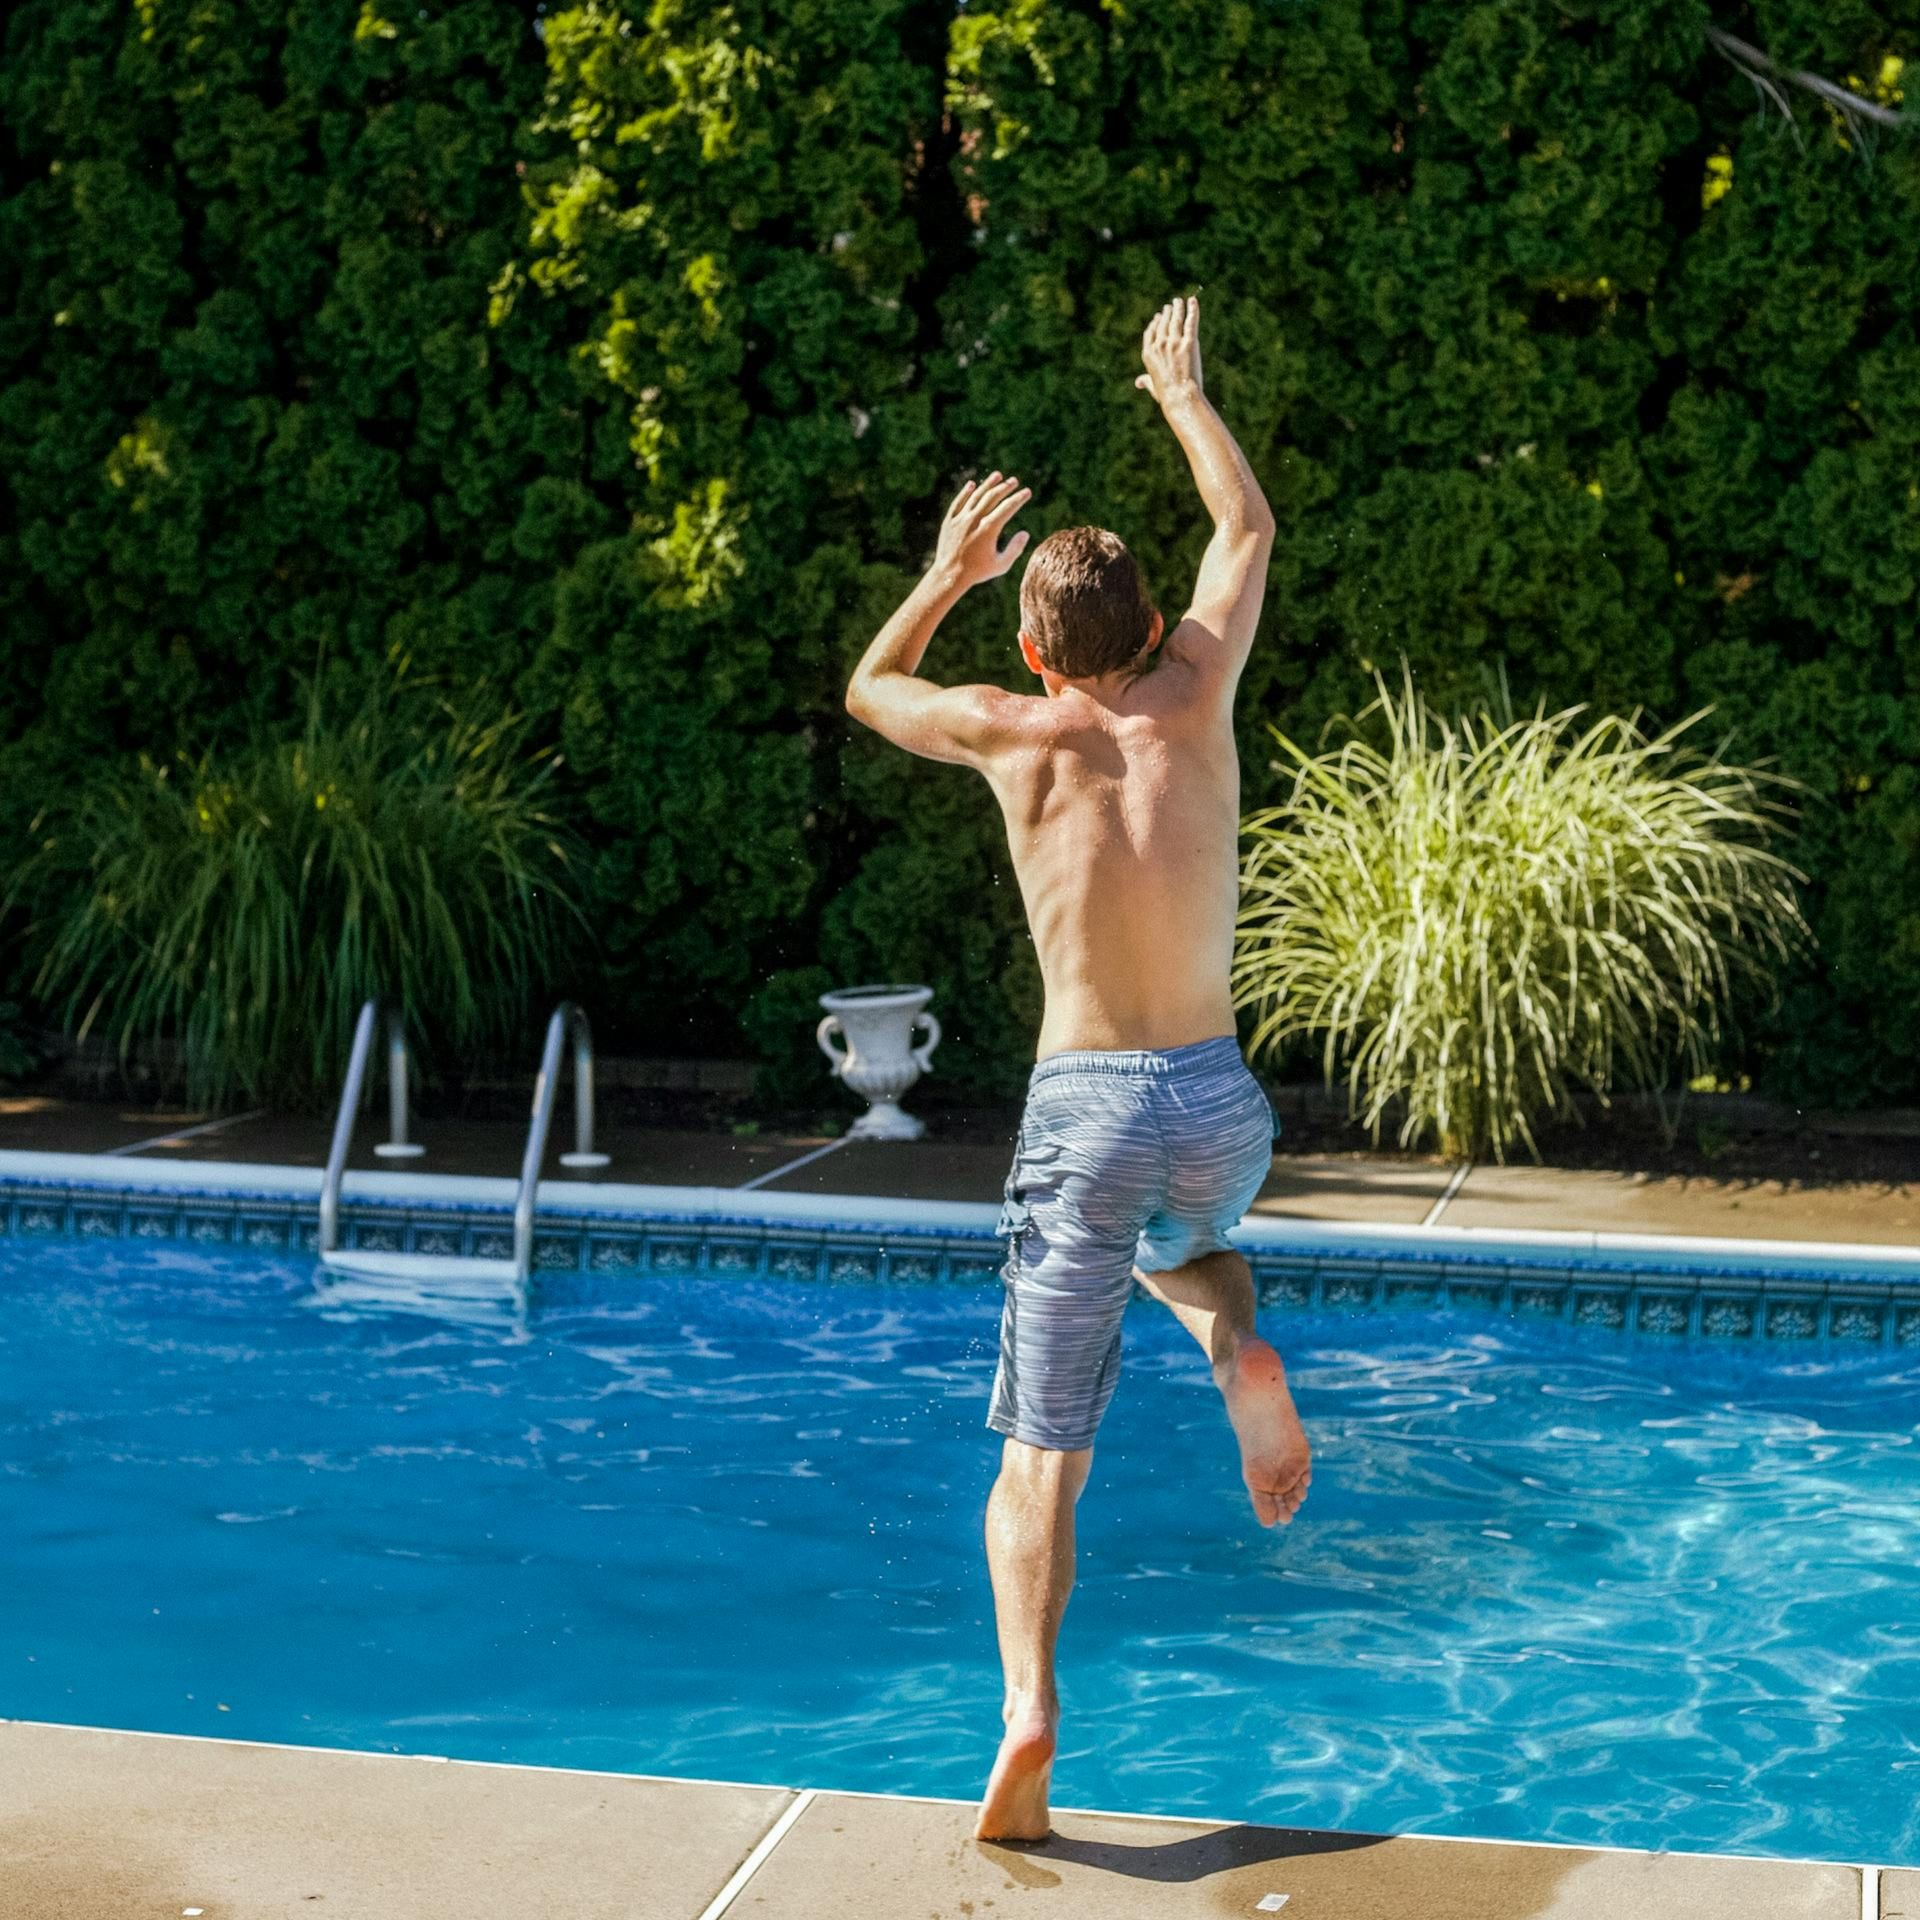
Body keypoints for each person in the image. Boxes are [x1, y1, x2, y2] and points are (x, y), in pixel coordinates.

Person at [844, 296, 1312, 1844]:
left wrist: (942, 575)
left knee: (1041, 1451)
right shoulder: (1202, 687)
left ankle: (1031, 1708)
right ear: (1148, 629)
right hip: (1218, 1106)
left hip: (1088, 1111)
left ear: (1037, 649)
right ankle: (1239, 1352)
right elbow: (1243, 522)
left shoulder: (1010, 730)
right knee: (1201, 1250)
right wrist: (1181, 391)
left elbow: (868, 690)